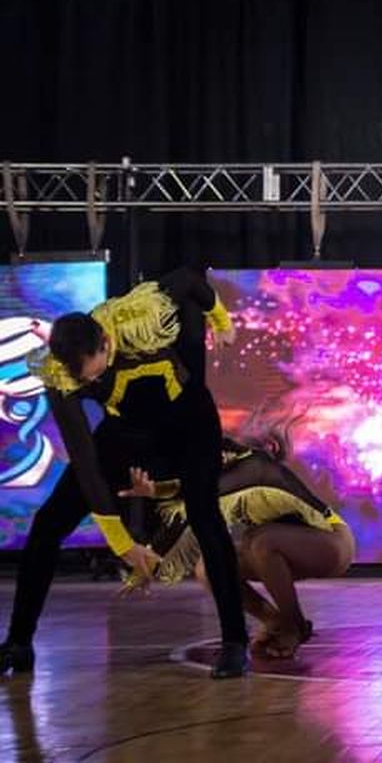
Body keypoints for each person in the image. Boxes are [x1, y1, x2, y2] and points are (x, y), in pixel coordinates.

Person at [0, 268, 249, 679]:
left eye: (93, 371)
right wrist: (123, 545)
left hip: (188, 422)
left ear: (105, 342)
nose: (90, 381)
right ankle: (19, 642)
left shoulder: (141, 315)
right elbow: (85, 461)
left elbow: (188, 280)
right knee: (48, 524)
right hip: (126, 431)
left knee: (205, 516)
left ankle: (235, 642)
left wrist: (220, 320)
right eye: (83, 379)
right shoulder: (60, 372)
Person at [120, 429, 355, 659]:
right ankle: (274, 622)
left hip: (332, 543)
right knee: (210, 566)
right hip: (289, 549)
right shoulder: (228, 470)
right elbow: (193, 489)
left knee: (261, 540)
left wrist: (148, 563)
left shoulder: (252, 466)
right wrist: (154, 490)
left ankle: (294, 625)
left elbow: (194, 504)